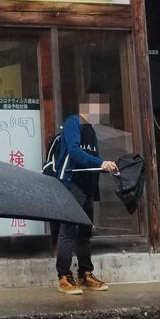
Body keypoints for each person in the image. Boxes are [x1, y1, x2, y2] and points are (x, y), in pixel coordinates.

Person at [52, 91, 118, 295]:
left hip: (87, 187)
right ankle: (63, 277)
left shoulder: (92, 130)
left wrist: (106, 167)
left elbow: (94, 158)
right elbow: (74, 151)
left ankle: (85, 273)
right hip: (72, 183)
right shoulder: (73, 122)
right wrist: (100, 163)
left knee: (85, 232)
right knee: (68, 230)